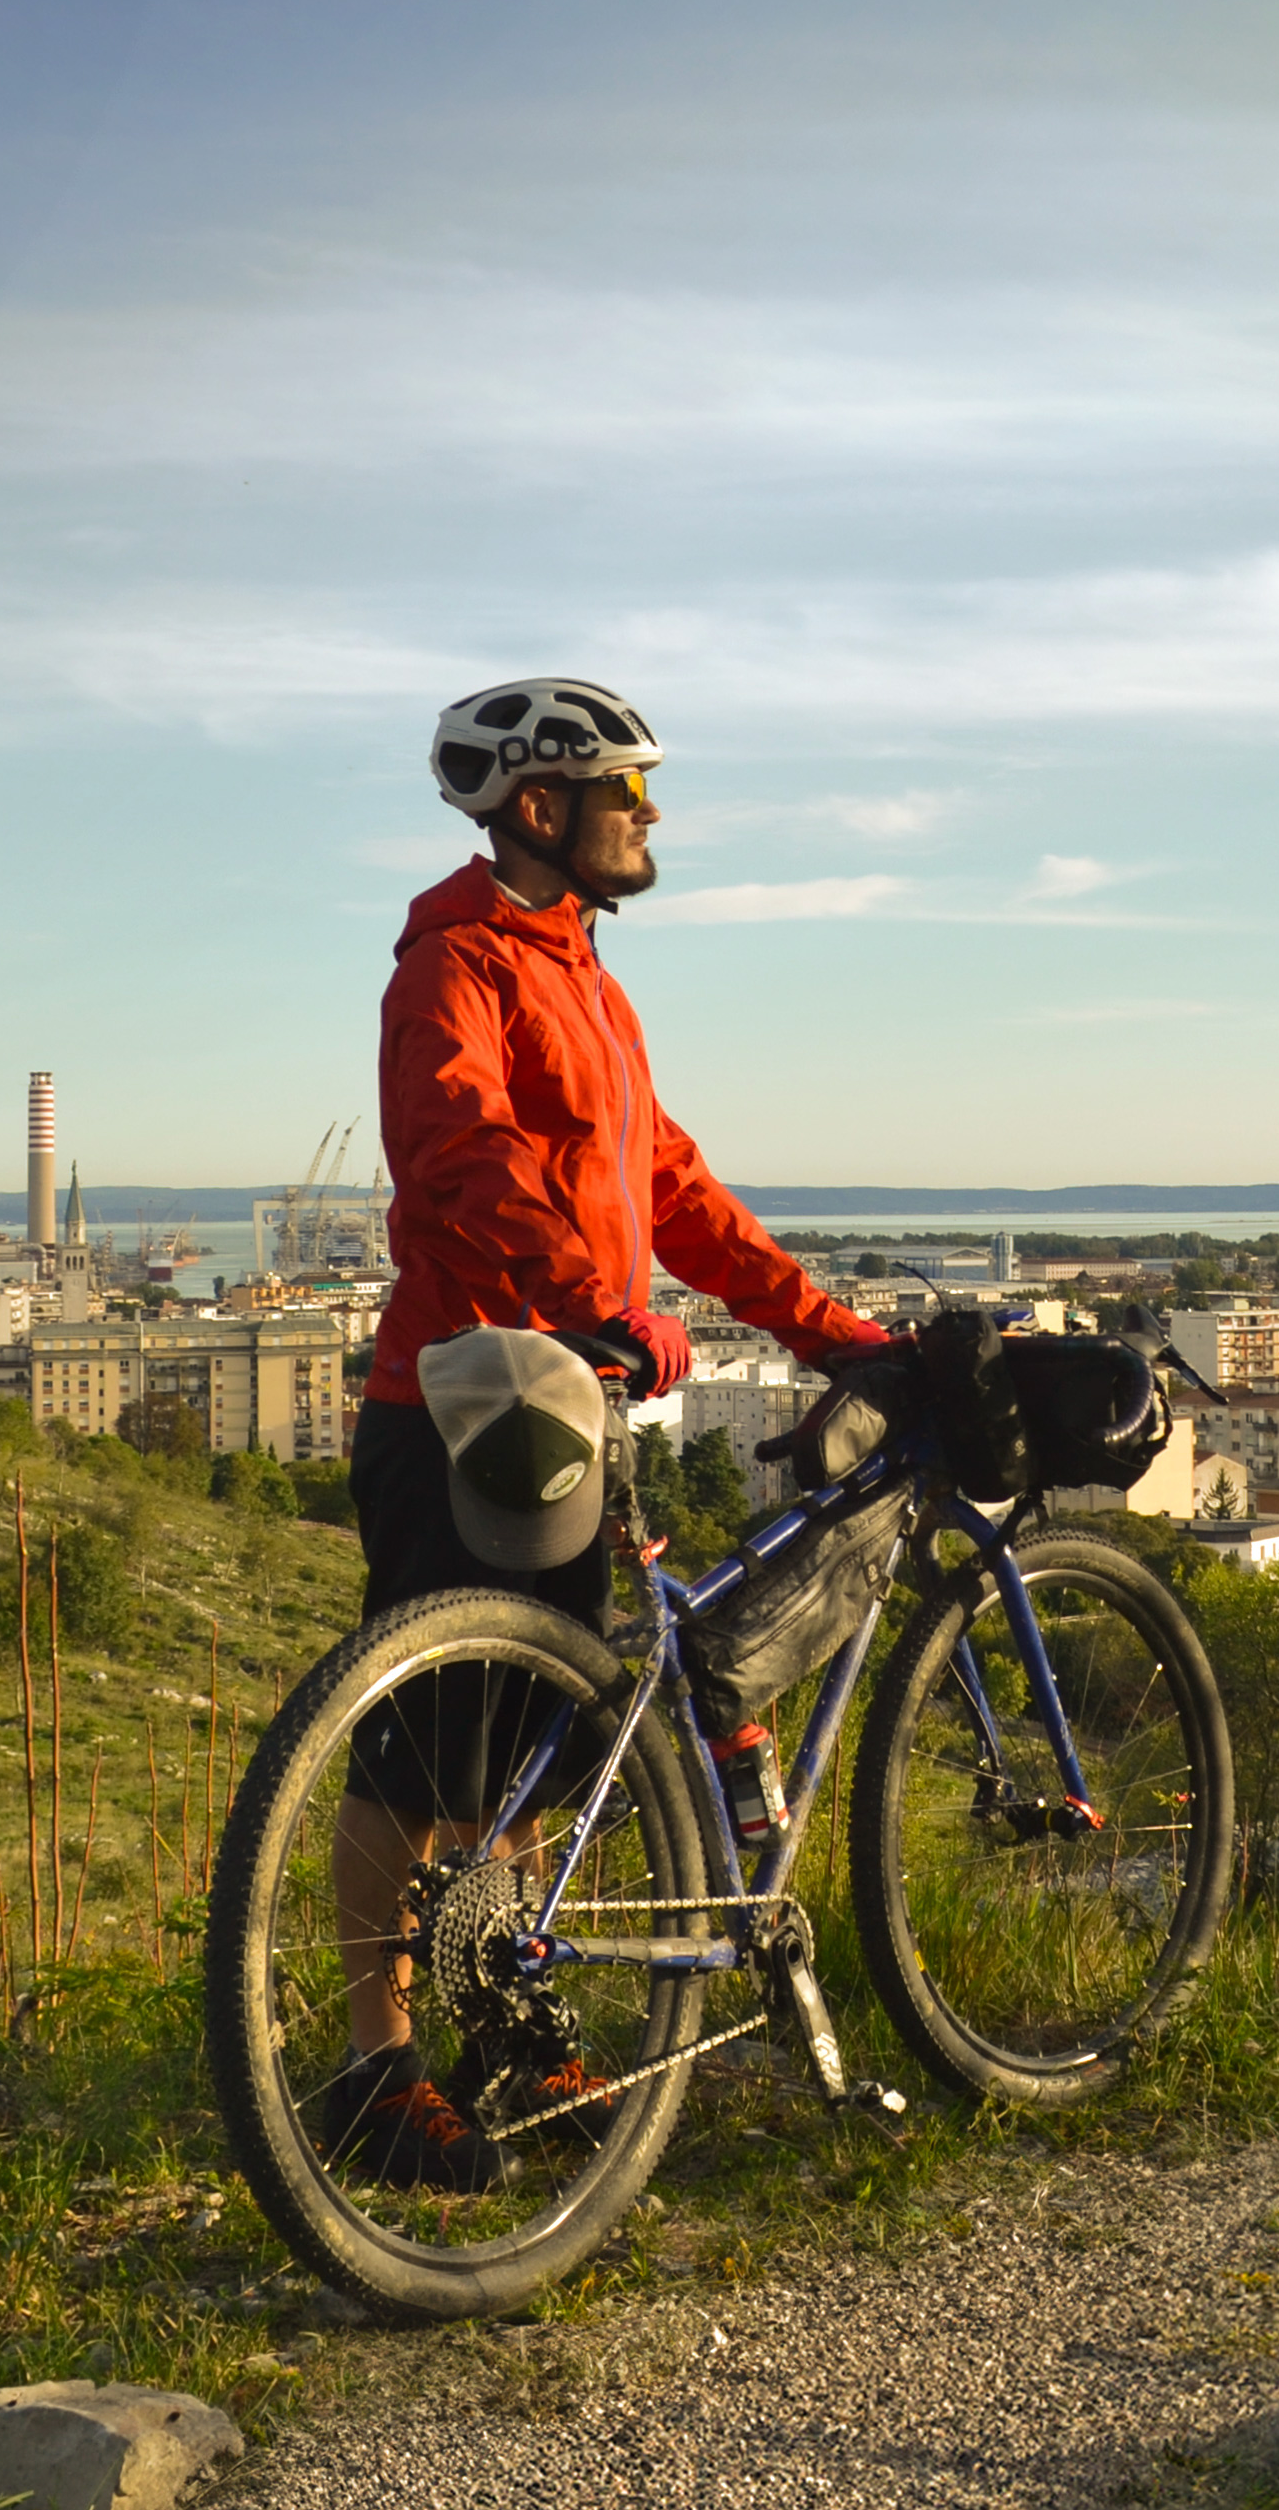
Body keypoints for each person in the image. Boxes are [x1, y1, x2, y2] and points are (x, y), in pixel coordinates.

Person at [314, 674, 896, 2190]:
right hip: (456, 1405)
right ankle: (375, 2071)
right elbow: (461, 1157)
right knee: (413, 1759)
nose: (653, 817)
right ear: (541, 805)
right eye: (632, 791)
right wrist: (594, 1298)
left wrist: (831, 1328)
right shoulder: (453, 961)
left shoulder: (587, 980)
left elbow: (674, 1191)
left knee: (534, 1753)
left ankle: (503, 2027)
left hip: (563, 1414)